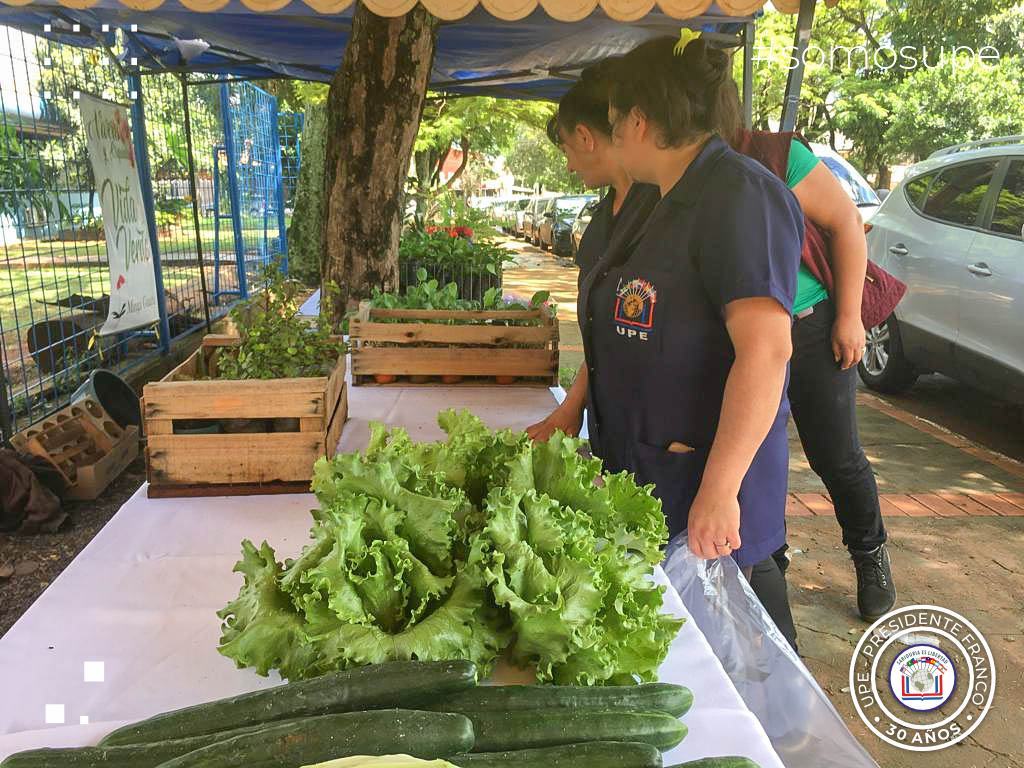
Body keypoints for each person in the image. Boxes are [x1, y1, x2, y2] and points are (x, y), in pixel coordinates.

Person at [530, 33, 803, 650]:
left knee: (749, 674)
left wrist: (720, 487)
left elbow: (767, 352)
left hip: (705, 492)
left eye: (613, 121)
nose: (612, 136)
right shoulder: (659, 197)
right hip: (652, 473)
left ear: (638, 119)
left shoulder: (739, 195)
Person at [734, 130, 898, 621]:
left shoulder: (776, 154)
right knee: (755, 458)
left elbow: (847, 223)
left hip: (813, 329)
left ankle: (870, 555)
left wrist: (849, 317)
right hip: (746, 340)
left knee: (837, 455)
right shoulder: (683, 165)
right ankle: (770, 566)